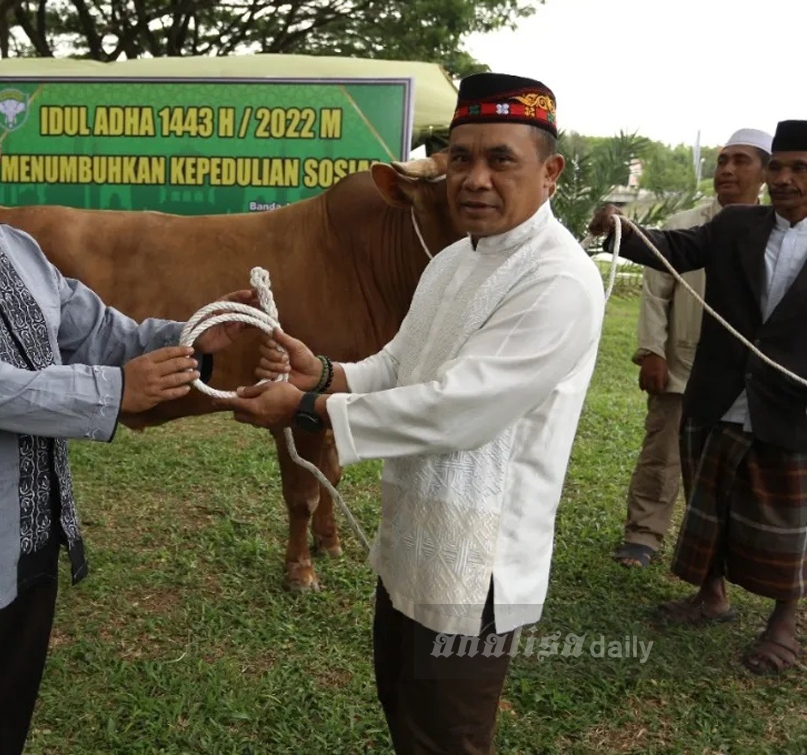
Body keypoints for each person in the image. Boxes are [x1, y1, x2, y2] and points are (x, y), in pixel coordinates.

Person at [0, 73, 255, 754]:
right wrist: (116, 392)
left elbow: (100, 331)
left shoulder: (17, 250)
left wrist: (190, 335)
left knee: (1, 721)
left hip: (35, 541)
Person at [219, 72, 604, 754]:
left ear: (550, 172)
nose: (474, 178)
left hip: (479, 563)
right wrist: (329, 371)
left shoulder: (559, 278)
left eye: (500, 159)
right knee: (402, 708)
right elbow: (401, 364)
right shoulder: (454, 259)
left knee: (446, 734)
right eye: (461, 158)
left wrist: (309, 406)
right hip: (413, 536)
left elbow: (457, 410)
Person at [590, 119, 807, 675]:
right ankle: (710, 596)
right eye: (778, 167)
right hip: (718, 390)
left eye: (799, 169)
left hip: (791, 407)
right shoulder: (736, 225)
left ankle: (783, 624)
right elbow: (674, 247)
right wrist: (622, 230)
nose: (784, 179)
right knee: (710, 500)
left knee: (786, 518)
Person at [613, 128, 773, 568]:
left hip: (744, 376)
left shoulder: (778, 232)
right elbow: (655, 292)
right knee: (661, 455)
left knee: (735, 467)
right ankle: (643, 535)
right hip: (683, 363)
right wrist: (652, 351)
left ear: (765, 173)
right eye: (723, 160)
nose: (727, 169)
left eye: (741, 161)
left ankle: (721, 553)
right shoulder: (686, 225)